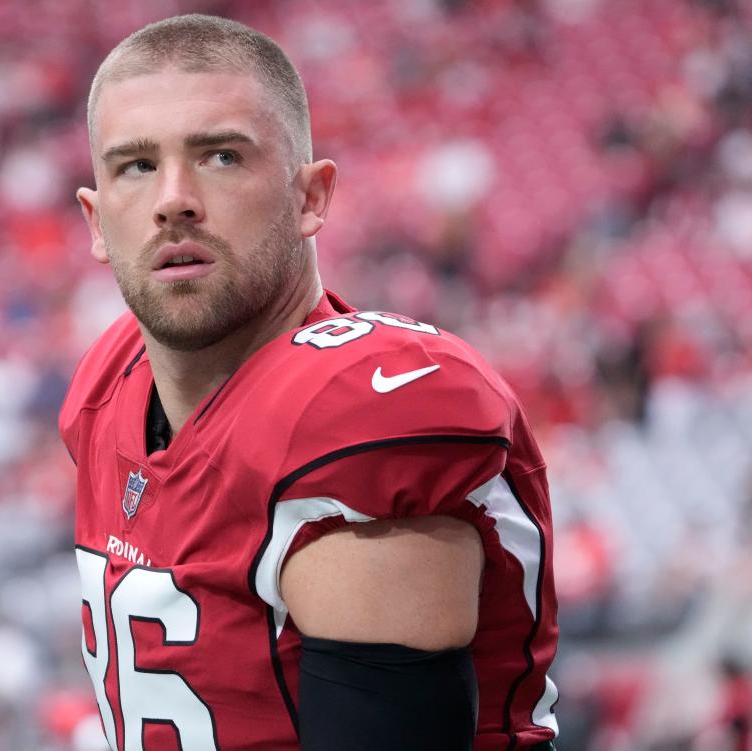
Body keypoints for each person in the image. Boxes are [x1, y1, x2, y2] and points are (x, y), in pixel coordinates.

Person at [60, 14, 558, 751]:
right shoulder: (110, 383)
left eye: (221, 156)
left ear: (310, 199)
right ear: (97, 222)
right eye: (135, 165)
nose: (173, 198)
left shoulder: (358, 410)